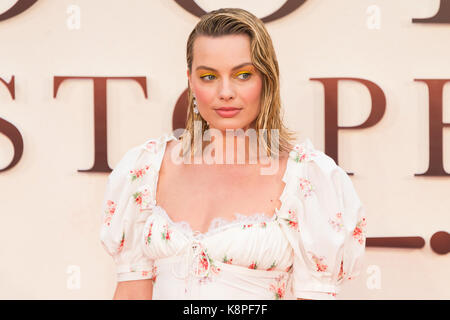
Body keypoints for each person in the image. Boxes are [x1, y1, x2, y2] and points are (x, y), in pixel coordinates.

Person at [100, 8, 366, 300]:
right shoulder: (147, 169)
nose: (225, 92)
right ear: (191, 80)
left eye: (242, 75)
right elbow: (131, 292)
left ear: (267, 79)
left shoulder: (308, 178)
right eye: (209, 76)